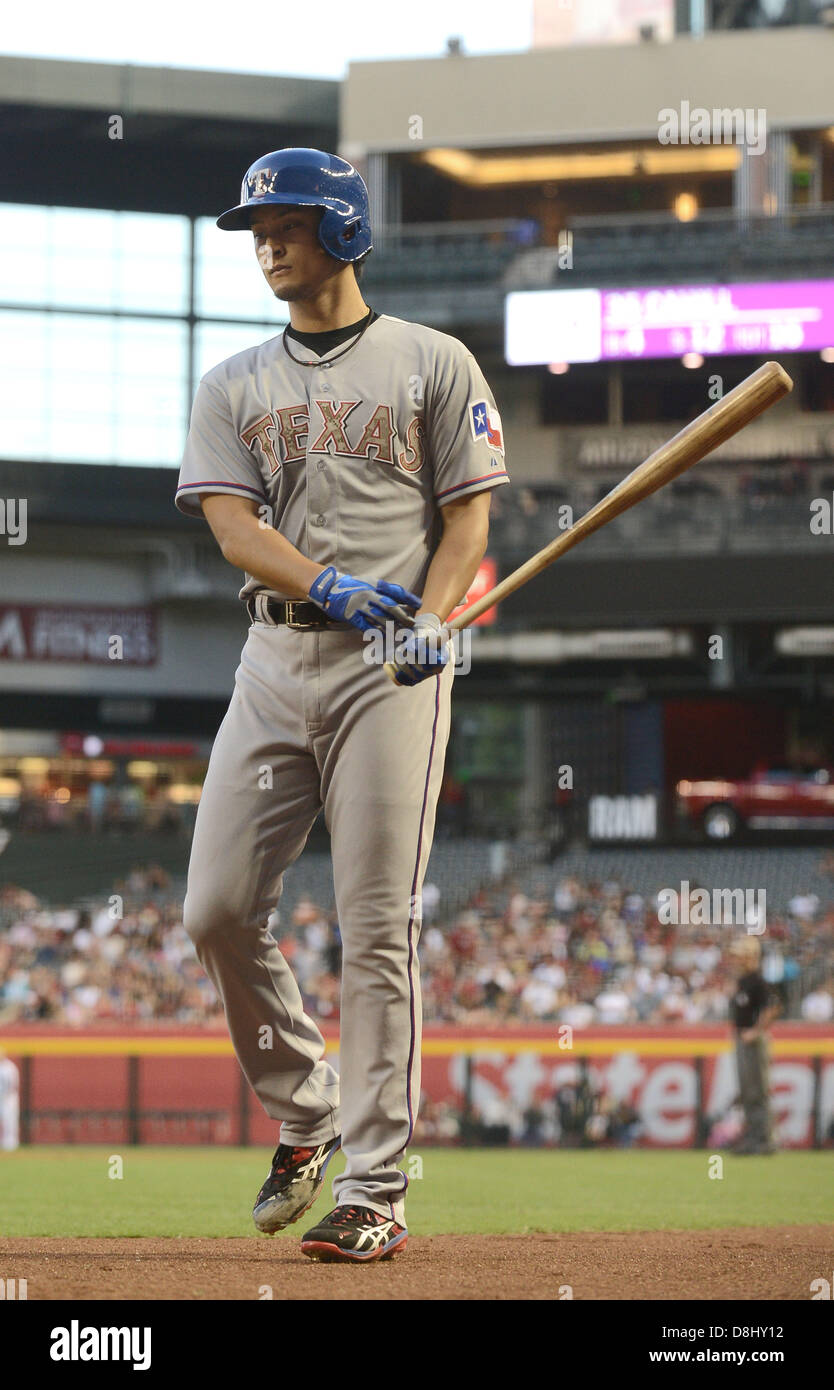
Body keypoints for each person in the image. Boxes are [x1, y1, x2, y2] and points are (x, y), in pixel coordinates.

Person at [175, 148, 509, 1262]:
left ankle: (375, 1188)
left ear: (347, 229)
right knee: (216, 908)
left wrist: (431, 611)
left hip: (392, 671)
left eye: (286, 220)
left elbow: (469, 520)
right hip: (275, 656)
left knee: (375, 926)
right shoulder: (232, 382)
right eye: (255, 224)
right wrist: (323, 582)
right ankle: (306, 1108)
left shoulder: (434, 361)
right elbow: (231, 526)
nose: (265, 240)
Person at [728, 936, 780, 1155]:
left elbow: (773, 1007)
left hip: (754, 1042)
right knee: (747, 1091)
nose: (734, 959)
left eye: (739, 954)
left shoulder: (757, 981)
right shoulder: (743, 981)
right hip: (741, 1039)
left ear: (750, 956)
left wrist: (756, 1031)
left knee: (757, 1090)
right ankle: (753, 1138)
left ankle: (764, 1139)